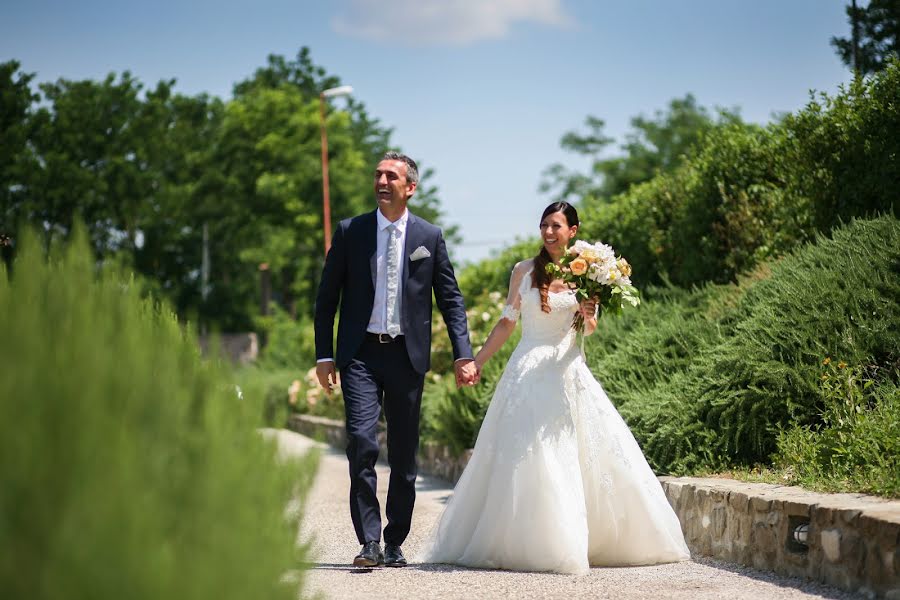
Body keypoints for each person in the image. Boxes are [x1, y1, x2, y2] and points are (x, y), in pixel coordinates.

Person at [423, 202, 690, 574]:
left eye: (557, 226)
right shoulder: (523, 271)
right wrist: (475, 361)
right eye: (544, 225)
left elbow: (589, 329)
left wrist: (588, 311)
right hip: (527, 366)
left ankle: (585, 538)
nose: (549, 232)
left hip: (568, 369)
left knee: (578, 450)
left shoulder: (588, 272)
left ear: (573, 231)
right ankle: (525, 540)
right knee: (525, 452)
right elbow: (505, 323)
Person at [314, 151, 478, 568]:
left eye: (392, 176)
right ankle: (368, 541)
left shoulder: (430, 236)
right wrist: (324, 355)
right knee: (362, 443)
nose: (382, 181)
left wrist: (463, 354)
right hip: (360, 355)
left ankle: (394, 540)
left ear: (410, 187)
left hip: (407, 356)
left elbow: (451, 301)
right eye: (378, 175)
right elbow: (327, 298)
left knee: (404, 455)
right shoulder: (352, 232)